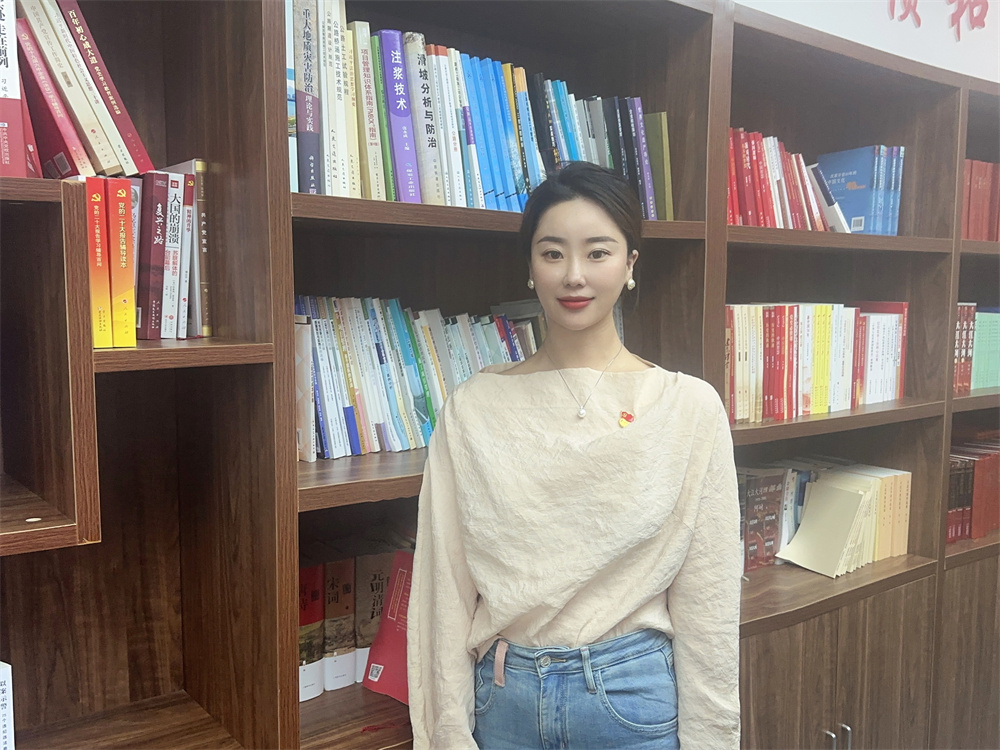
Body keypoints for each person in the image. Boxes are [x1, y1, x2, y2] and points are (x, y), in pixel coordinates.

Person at [407, 161, 741, 750]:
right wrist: (447, 734)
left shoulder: (688, 407)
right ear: (530, 266)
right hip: (503, 700)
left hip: (632, 698)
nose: (574, 276)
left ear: (631, 264)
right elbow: (444, 587)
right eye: (553, 253)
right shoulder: (472, 408)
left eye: (598, 252)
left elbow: (708, 600)